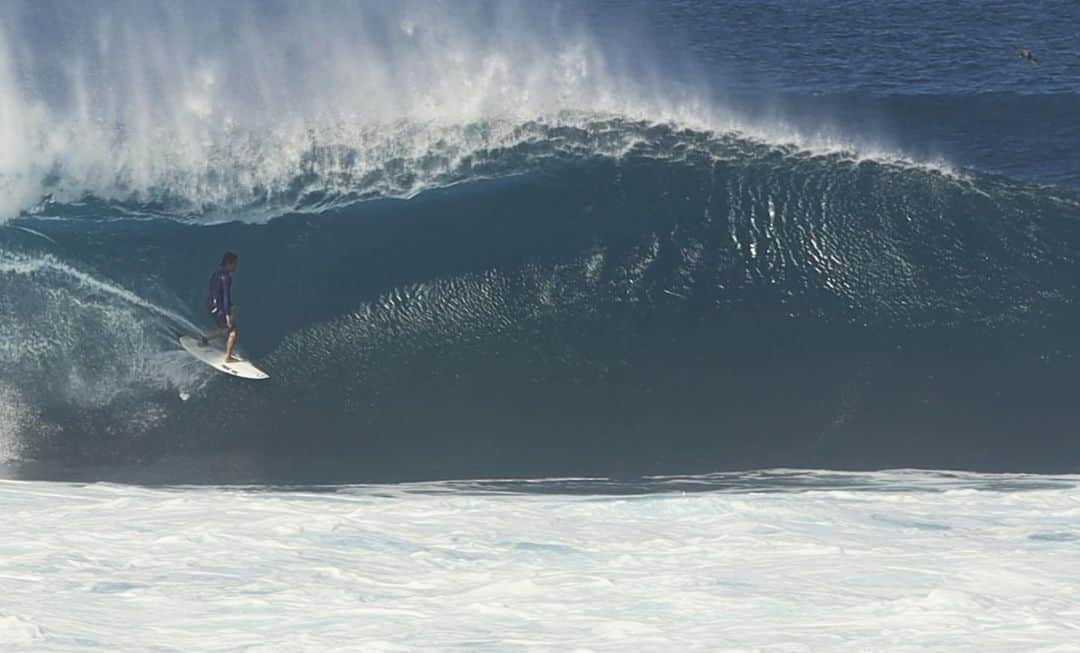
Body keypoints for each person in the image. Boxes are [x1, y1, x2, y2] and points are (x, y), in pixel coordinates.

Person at [200, 251, 240, 363]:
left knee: (225, 327)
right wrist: (227, 314)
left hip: (211, 305)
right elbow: (226, 296)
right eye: (235, 264)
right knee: (232, 331)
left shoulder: (216, 273)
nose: (236, 266)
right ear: (229, 263)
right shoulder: (227, 278)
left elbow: (213, 290)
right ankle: (228, 357)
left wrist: (230, 307)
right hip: (219, 308)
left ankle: (205, 339)